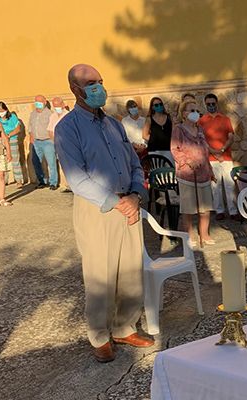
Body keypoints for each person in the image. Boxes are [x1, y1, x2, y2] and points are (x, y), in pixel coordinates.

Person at [55, 64, 154, 363]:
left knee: (130, 273)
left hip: (129, 205)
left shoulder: (113, 124)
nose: (98, 87)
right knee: (101, 274)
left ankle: (124, 327)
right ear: (75, 88)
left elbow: (135, 164)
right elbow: (77, 177)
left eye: (100, 81)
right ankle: (99, 335)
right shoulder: (67, 128)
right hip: (98, 209)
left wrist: (136, 195)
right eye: (90, 83)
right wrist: (116, 201)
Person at [171, 99, 215, 247]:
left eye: (197, 111)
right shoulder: (179, 129)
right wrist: (188, 161)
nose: (196, 113)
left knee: (205, 208)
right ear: (184, 113)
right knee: (188, 208)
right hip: (187, 175)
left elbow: (205, 150)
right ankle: (189, 236)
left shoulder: (200, 129)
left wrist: (210, 169)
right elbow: (174, 149)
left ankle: (205, 234)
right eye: (192, 110)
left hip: (204, 173)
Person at [199, 93, 239, 221]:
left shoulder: (225, 119)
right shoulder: (201, 121)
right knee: (215, 186)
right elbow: (201, 139)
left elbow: (231, 137)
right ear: (205, 105)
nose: (211, 106)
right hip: (211, 159)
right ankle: (219, 210)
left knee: (229, 185)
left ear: (217, 104)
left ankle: (233, 211)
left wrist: (221, 150)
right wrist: (213, 152)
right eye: (208, 104)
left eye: (213, 103)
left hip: (226, 157)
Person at [0, 101, 25, 187]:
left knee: (15, 160)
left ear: (6, 109)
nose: (1, 113)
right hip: (0, 141)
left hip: (12, 139)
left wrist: (8, 135)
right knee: (2, 161)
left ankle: (19, 180)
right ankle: (4, 180)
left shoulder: (12, 117)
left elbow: (18, 128)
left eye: (2, 110)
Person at [28, 95, 54, 188]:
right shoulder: (33, 114)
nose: (37, 103)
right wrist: (31, 137)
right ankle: (42, 181)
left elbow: (52, 128)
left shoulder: (50, 114)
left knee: (51, 163)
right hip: (36, 141)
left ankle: (53, 182)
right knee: (35, 161)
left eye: (39, 101)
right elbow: (30, 126)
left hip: (47, 141)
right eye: (36, 101)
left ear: (45, 102)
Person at [46, 97, 69, 191]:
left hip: (66, 143)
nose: (56, 108)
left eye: (58, 106)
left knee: (68, 165)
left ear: (62, 104)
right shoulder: (53, 116)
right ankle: (55, 183)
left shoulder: (68, 115)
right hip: (55, 143)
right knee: (55, 163)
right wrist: (54, 140)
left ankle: (71, 185)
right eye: (55, 106)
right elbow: (50, 130)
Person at [143, 96, 173, 163]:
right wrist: (155, 140)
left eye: (160, 104)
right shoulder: (149, 119)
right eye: (156, 105)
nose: (159, 106)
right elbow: (144, 135)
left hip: (168, 149)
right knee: (158, 171)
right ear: (152, 107)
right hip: (154, 150)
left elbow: (173, 131)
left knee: (170, 171)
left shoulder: (169, 117)